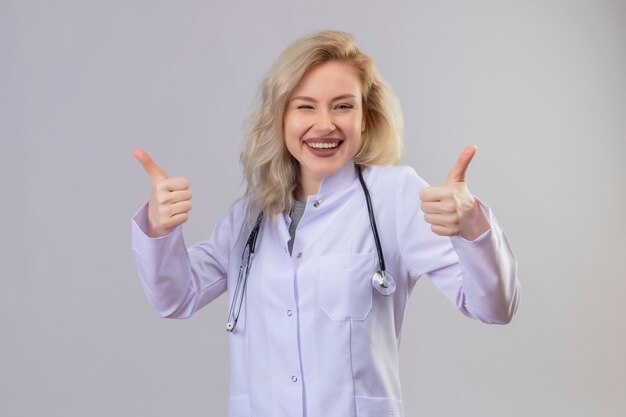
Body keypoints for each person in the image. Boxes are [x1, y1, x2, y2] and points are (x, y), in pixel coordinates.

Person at [131, 30, 520, 417]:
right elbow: (175, 297)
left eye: (342, 106)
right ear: (280, 118)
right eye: (305, 107)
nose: (324, 125)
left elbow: (494, 307)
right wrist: (159, 228)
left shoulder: (394, 197)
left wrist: (473, 228)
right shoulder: (249, 218)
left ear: (365, 118)